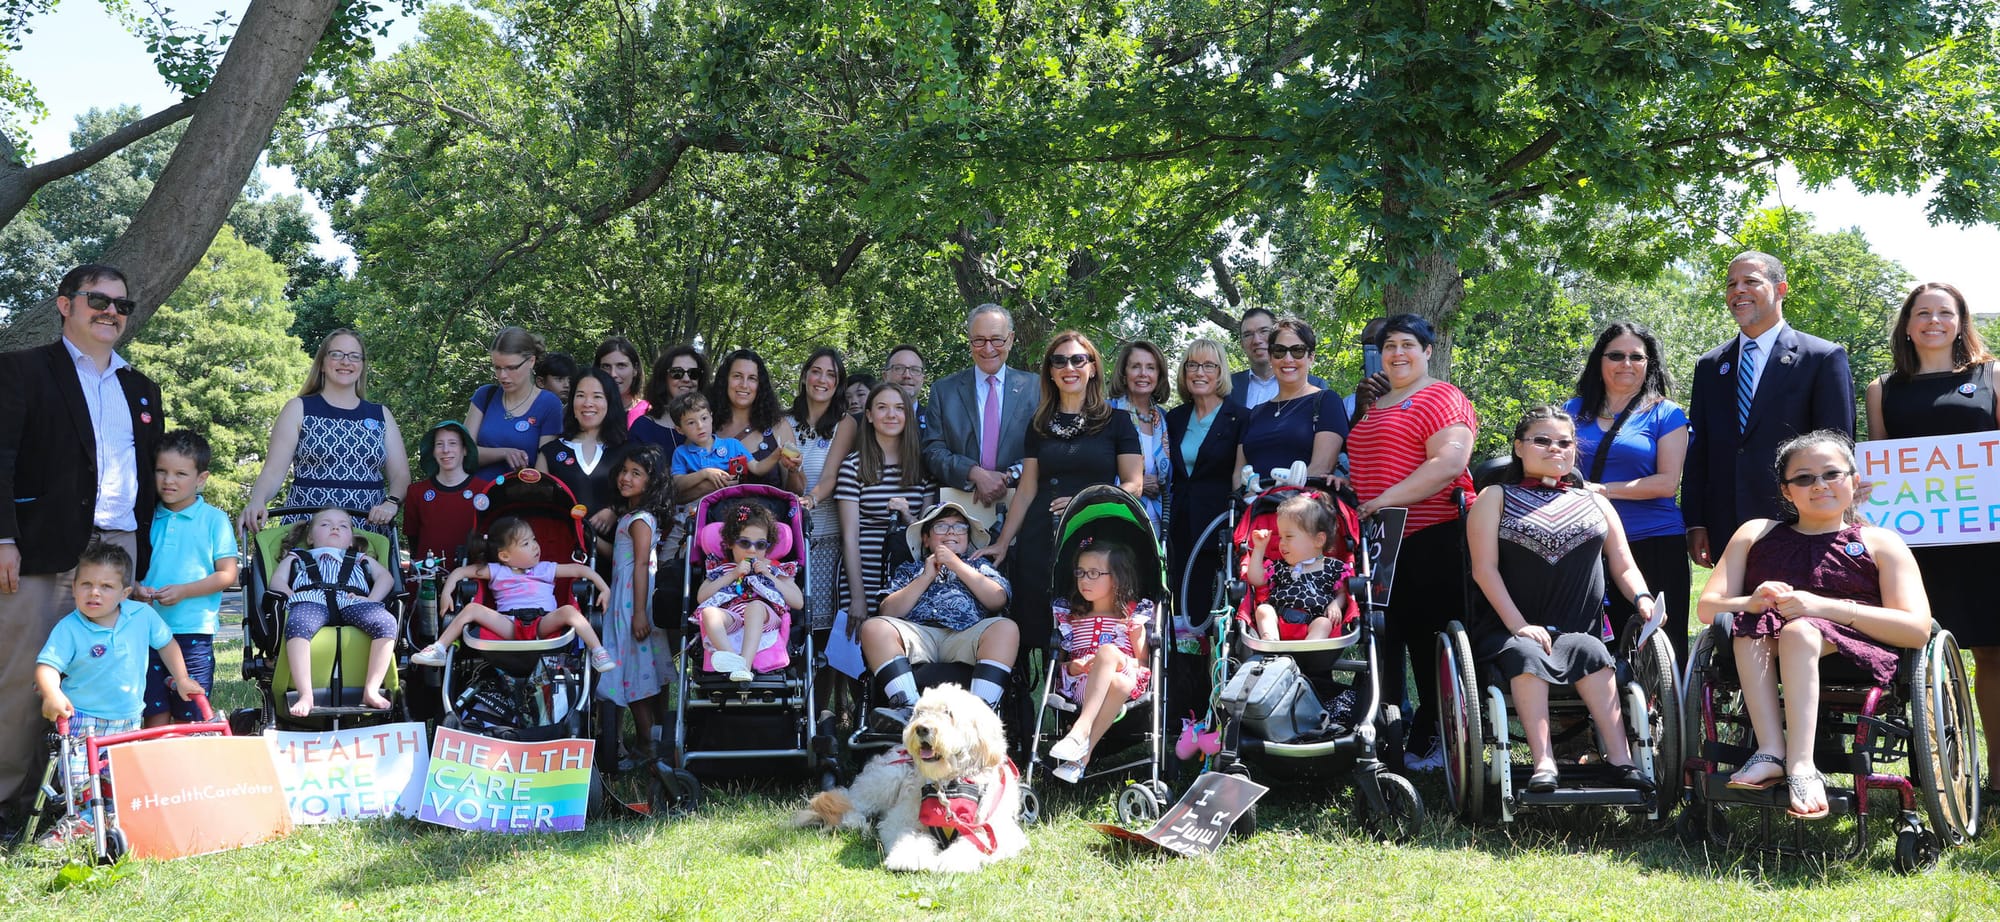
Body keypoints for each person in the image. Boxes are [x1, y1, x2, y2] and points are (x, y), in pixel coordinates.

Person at [0, 263, 165, 819]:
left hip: (119, 548)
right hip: (38, 550)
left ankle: (88, 806)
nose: (111, 311)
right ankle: (9, 806)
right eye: (98, 299)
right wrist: (4, 538)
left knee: (111, 679)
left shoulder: (142, 389)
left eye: (122, 304)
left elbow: (149, 478)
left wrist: (143, 552)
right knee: (25, 679)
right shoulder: (20, 371)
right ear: (65, 304)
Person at [1696, 431, 1930, 818]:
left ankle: (1802, 765)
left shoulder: (1880, 542)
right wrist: (1750, 600)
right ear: (1787, 491)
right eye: (1803, 478)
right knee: (1750, 623)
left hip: (1857, 647)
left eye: (1831, 474)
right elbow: (1708, 607)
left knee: (1800, 629)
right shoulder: (1756, 533)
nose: (1819, 485)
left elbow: (1916, 628)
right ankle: (1770, 749)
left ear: (1854, 482)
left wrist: (1821, 607)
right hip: (1763, 645)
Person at [1466, 407, 1657, 794]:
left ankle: (1621, 761)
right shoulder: (1494, 497)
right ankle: (1544, 762)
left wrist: (1642, 598)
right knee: (1528, 652)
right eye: (1542, 440)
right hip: (1508, 630)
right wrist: (1519, 625)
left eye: (1565, 442)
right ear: (1519, 447)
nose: (1556, 448)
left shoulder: (1597, 502)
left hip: (1575, 629)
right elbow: (1483, 569)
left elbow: (1623, 566)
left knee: (1590, 649)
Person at [1863, 281, 2000, 802]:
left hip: (1986, 540)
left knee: (1992, 653)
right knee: (1922, 657)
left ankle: (1999, 780)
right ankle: (1938, 777)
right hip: (1917, 547)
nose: (1934, 321)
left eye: (1945, 312)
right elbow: (1881, 465)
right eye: (1923, 313)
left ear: (1961, 321)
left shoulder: (1992, 376)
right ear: (1907, 324)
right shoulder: (1882, 390)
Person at [1346, 313, 1476, 773]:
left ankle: (1444, 735)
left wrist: (1383, 499)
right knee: (1386, 638)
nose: (1397, 353)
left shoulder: (1442, 396)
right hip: (1381, 542)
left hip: (1431, 534)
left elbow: (1449, 462)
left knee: (1429, 642)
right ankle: (1392, 733)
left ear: (1427, 351)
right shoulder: (1377, 403)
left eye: (1407, 344)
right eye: (1389, 346)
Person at [1683, 250, 1855, 568]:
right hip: (1726, 524)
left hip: (1800, 522)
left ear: (1781, 289)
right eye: (1731, 283)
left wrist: (1832, 514)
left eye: (1751, 281)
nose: (1738, 290)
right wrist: (1696, 521)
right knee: (1732, 617)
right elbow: (1699, 449)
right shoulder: (1710, 365)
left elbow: (1837, 447)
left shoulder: (1822, 357)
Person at [34, 542, 199, 846]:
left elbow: (166, 643)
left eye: (106, 586)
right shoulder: (69, 628)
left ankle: (109, 819)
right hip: (82, 719)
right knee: (82, 782)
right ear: (73, 588)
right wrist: (51, 693)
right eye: (86, 584)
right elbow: (47, 666)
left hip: (128, 718)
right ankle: (79, 821)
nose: (94, 592)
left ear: (124, 593)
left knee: (120, 779)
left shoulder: (141, 616)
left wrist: (183, 678)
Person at [985, 332, 1143, 644]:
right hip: (1040, 537)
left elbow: (1134, 484)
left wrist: (1086, 501)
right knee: (1040, 623)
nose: (1068, 367)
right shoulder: (1039, 424)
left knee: (1088, 620)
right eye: (1059, 361)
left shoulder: (1118, 421)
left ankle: (1087, 688)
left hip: (1095, 537)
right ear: (1051, 372)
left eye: (1077, 359)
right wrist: (1003, 542)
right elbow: (1027, 489)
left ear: (1093, 368)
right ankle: (1039, 692)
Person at [1564, 322, 1690, 662]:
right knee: (1594, 641)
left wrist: (1601, 490)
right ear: (1599, 361)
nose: (1626, 364)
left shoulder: (1666, 413)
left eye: (1637, 357)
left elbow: (1667, 483)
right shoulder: (1572, 411)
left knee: (1660, 642)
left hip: (1653, 540)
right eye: (1616, 355)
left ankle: (1662, 713)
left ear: (1649, 364)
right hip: (1588, 540)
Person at [239, 329, 411, 533]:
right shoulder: (298, 409)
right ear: (322, 363)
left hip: (367, 531)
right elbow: (274, 471)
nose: (346, 362)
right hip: (307, 530)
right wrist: (257, 500)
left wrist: (391, 502)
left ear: (362, 365)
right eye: (336, 354)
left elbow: (401, 474)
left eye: (354, 356)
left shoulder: (380, 415)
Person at [864, 502, 1018, 724]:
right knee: (873, 627)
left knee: (1006, 628)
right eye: (941, 526)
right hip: (919, 635)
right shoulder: (911, 569)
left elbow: (997, 599)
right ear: (925, 539)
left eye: (959, 527)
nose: (951, 532)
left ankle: (981, 714)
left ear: (968, 537)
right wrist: (925, 577)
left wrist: (956, 564)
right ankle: (909, 708)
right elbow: (888, 610)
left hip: (967, 636)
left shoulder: (979, 566)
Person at [413, 516, 616, 671]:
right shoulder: (497, 571)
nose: (535, 546)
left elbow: (582, 570)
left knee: (569, 611)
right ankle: (439, 648)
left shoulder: (545, 568)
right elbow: (460, 572)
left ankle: (598, 652)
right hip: (509, 624)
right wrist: (447, 593)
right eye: (526, 544)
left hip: (542, 623)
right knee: (472, 608)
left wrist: (605, 589)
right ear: (505, 556)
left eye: (534, 539)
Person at [136, 430, 239, 727]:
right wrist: (137, 591)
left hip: (192, 632)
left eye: (180, 473)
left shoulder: (214, 519)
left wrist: (184, 591)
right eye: (161, 471)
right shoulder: (145, 516)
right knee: (153, 712)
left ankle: (185, 771)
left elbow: (227, 574)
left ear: (201, 478)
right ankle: (156, 771)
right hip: (147, 632)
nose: (169, 481)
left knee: (190, 712)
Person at [270, 509, 401, 716]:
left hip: (351, 600)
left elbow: (386, 578)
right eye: (325, 524)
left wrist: (371, 600)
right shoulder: (298, 556)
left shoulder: (359, 558)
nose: (334, 528)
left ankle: (372, 689)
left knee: (386, 622)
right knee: (297, 624)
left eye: (343, 525)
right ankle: (306, 694)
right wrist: (291, 596)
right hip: (311, 599)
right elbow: (277, 581)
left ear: (351, 539)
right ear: (310, 537)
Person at [1045, 540, 1154, 784]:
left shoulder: (1132, 619)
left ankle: (1079, 731)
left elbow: (1143, 663)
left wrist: (1112, 657)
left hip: (1127, 672)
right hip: (1085, 687)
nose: (1084, 580)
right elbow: (1060, 666)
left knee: (1108, 653)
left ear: (1117, 578)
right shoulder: (1072, 618)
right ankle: (1080, 760)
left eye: (1094, 573)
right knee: (1118, 683)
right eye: (1080, 572)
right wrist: (1074, 667)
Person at [922, 304, 1041, 519]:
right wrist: (974, 474)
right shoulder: (944, 390)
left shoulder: (1036, 388)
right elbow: (932, 450)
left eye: (997, 339)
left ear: (1011, 339)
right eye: (979, 340)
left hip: (1024, 510)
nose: (988, 349)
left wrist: (1010, 475)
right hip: (959, 514)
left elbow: (1047, 446)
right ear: (969, 341)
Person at [1165, 339, 1247, 639]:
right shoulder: (1174, 418)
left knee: (1219, 615)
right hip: (1179, 527)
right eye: (1193, 365)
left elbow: (1240, 475)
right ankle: (1187, 679)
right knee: (1184, 612)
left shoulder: (1240, 417)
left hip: (1220, 529)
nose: (1200, 372)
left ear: (1220, 371)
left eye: (1208, 365)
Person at [600, 444, 676, 761]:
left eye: (636, 473)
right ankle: (654, 736)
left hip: (634, 601)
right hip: (630, 596)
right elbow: (623, 557)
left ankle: (647, 742)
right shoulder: (630, 516)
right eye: (624, 471)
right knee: (645, 671)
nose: (625, 478)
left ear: (652, 481)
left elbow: (642, 564)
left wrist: (639, 615)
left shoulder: (641, 519)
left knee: (636, 673)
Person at [837, 383, 937, 620]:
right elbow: (849, 537)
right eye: (882, 408)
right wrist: (858, 598)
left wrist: (907, 516)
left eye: (899, 408)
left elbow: (928, 536)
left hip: (908, 579)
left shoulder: (924, 468)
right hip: (862, 577)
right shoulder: (853, 466)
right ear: (869, 416)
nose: (891, 414)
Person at [696, 501, 803, 681]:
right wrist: (732, 575)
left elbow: (798, 602)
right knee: (708, 613)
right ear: (730, 542)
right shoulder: (723, 569)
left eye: (760, 545)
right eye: (745, 543)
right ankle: (732, 660)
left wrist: (770, 576)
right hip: (733, 618)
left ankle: (744, 665)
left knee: (754, 606)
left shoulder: (774, 568)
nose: (752, 550)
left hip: (765, 619)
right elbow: (702, 597)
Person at [1235, 317, 1347, 484]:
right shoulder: (1255, 414)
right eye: (1279, 351)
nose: (1288, 359)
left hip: (1301, 505)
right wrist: (1245, 501)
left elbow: (1321, 467)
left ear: (1311, 357)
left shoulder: (1326, 402)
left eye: (1297, 351)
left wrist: (1278, 499)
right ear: (1271, 357)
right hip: (1252, 506)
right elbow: (1238, 474)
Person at [537, 369, 631, 556]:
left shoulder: (628, 451)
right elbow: (539, 507)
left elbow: (644, 498)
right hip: (560, 559)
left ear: (610, 402)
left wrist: (614, 510)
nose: (588, 403)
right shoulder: (550, 452)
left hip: (616, 560)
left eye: (597, 396)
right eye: (580, 396)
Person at [788, 348, 847, 631]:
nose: (822, 379)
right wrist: (792, 474)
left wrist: (810, 499)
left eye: (831, 375)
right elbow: (788, 482)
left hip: (828, 537)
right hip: (789, 539)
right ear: (804, 376)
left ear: (838, 384)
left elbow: (831, 475)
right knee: (792, 625)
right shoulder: (783, 422)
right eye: (816, 371)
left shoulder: (845, 424)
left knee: (824, 632)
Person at [1244, 492, 1351, 642]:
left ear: (1318, 540)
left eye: (1288, 537)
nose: (1282, 543)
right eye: (1280, 537)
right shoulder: (1280, 566)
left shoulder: (1332, 566)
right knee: (1264, 610)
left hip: (1313, 619)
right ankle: (1271, 641)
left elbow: (1343, 593)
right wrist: (1260, 548)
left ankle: (1311, 645)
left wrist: (1336, 604)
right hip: (1279, 617)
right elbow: (1256, 579)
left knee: (1324, 623)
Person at [466, 327, 563, 481]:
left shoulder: (549, 404)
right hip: (476, 497)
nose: (503, 376)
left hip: (519, 499)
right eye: (497, 368)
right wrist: (504, 453)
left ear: (531, 361)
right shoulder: (485, 395)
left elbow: (543, 471)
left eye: (511, 368)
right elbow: (464, 453)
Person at [708, 348, 803, 492]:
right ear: (725, 380)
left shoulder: (778, 427)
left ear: (760, 385)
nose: (744, 384)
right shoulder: (705, 424)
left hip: (770, 513)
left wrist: (793, 470)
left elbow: (797, 492)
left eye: (752, 378)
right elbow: (682, 492)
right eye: (737, 376)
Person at [1107, 339, 1173, 536]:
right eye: (1136, 366)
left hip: (1159, 523)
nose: (1143, 373)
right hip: (1118, 517)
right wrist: (1137, 484)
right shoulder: (1107, 412)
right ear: (1124, 373)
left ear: (1159, 375)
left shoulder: (1164, 419)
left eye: (1151, 367)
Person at [402, 421, 489, 563]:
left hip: (472, 579)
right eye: (439, 444)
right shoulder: (416, 492)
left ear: (465, 450)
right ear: (433, 451)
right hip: (428, 580)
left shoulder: (484, 490)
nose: (446, 450)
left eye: (453, 443)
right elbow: (413, 541)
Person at [671, 391, 775, 500]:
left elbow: (757, 468)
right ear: (679, 429)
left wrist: (777, 454)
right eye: (691, 423)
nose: (700, 426)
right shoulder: (681, 453)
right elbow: (677, 484)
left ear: (711, 417)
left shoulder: (732, 445)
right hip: (697, 510)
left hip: (733, 505)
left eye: (704, 418)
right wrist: (704, 473)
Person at [1228, 306, 1329, 410]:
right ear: (1241, 344)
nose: (1256, 340)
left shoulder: (1316, 386)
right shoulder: (1227, 385)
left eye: (1263, 331)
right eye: (1248, 335)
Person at [631, 345, 708, 453]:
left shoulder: (711, 424)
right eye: (677, 373)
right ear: (663, 378)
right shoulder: (643, 428)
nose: (686, 379)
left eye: (693, 373)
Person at [595, 336, 649, 425]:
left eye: (621, 365)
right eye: (606, 366)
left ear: (635, 369)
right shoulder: (587, 410)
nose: (613, 374)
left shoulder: (649, 412)